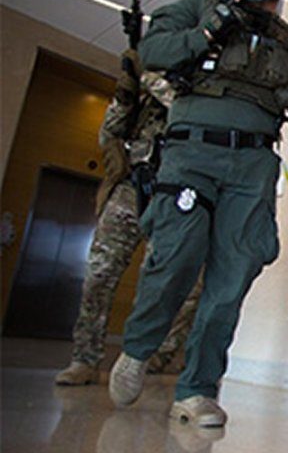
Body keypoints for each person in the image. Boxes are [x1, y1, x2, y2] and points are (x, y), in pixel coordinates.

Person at [106, 0, 288, 428]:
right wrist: (213, 26)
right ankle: (137, 349)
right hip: (191, 155)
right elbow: (153, 51)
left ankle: (197, 390)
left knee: (230, 280)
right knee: (174, 259)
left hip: (253, 165)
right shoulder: (198, 7)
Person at [55, 30, 202, 385]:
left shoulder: (194, 90)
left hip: (173, 194)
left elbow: (184, 111)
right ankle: (85, 359)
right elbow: (109, 133)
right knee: (99, 275)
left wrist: (148, 75)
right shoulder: (142, 97)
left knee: (165, 284)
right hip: (130, 187)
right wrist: (125, 89)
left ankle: (152, 356)